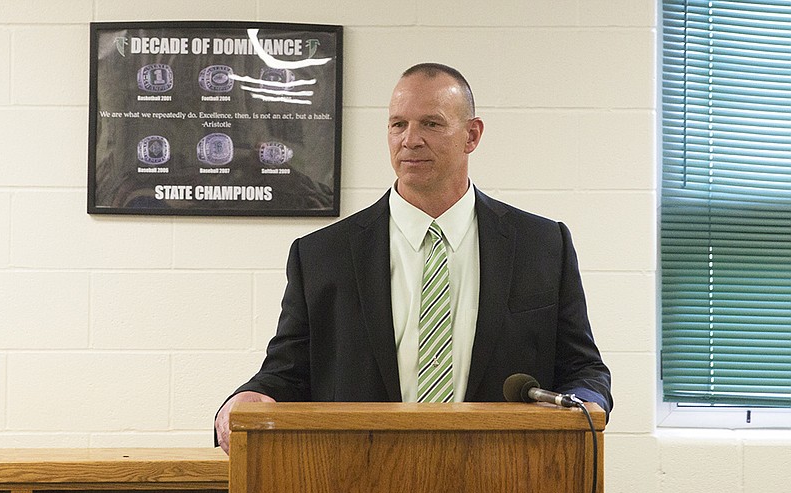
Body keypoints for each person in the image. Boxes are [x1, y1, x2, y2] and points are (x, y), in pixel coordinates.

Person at [214, 63, 613, 453]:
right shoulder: (322, 254)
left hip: (503, 478)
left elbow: (582, 368)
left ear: (471, 136)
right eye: (398, 124)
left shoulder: (541, 245)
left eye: (431, 124)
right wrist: (248, 398)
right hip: (358, 481)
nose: (410, 139)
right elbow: (287, 374)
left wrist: (586, 403)